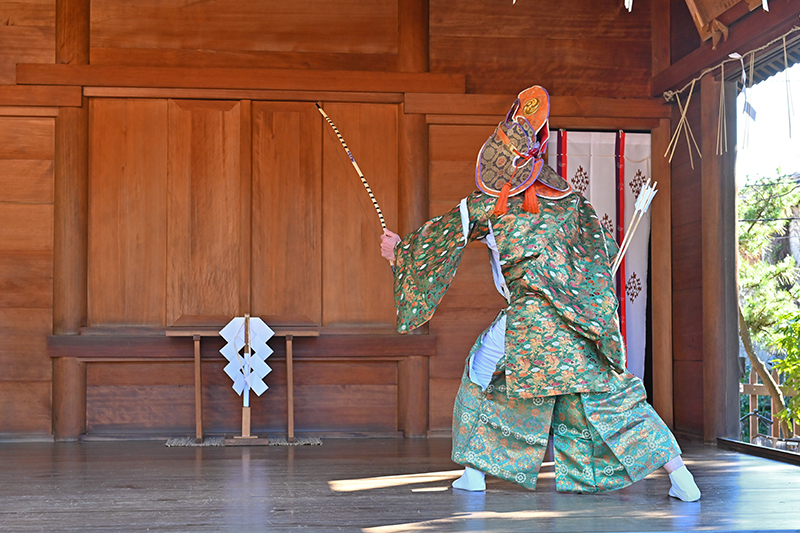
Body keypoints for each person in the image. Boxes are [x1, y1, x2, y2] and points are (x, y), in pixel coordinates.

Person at [379, 85, 701, 501]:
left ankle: (474, 473)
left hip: (528, 321)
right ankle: (682, 478)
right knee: (612, 398)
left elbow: (442, 238)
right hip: (575, 322)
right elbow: (595, 263)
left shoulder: (489, 204)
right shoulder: (573, 204)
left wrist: (400, 252)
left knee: (486, 374)